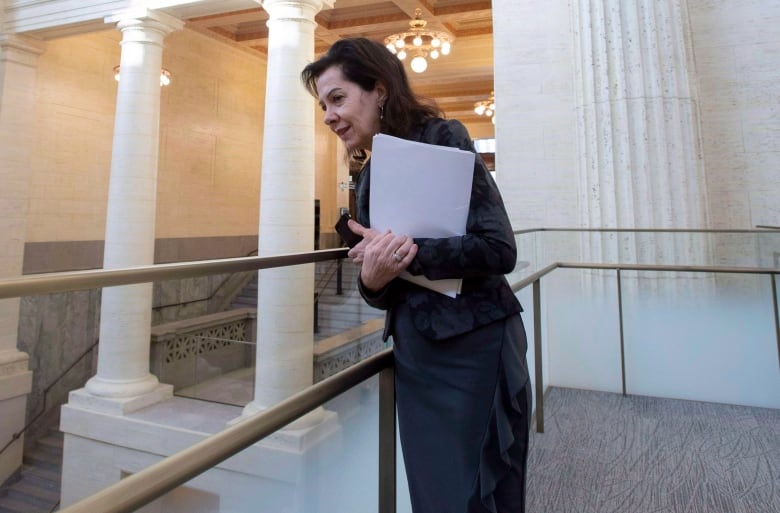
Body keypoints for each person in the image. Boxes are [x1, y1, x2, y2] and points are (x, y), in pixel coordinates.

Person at [301, 38, 531, 513]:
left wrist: (406, 254)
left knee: (478, 488)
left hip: (475, 345)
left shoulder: (442, 136)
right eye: (323, 105)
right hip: (417, 355)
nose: (327, 115)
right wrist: (375, 277)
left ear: (379, 90)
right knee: (435, 494)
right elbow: (379, 287)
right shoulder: (366, 175)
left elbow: (499, 248)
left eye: (338, 98)